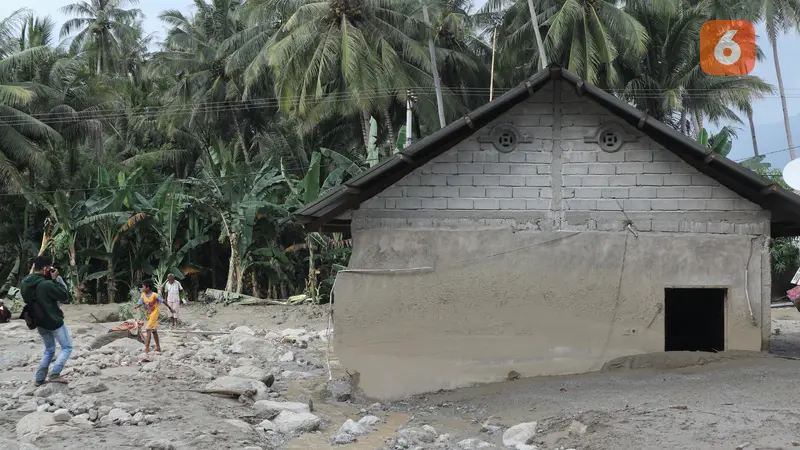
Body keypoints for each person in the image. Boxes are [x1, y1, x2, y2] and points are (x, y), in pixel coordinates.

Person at [20, 256, 72, 386]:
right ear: (45, 268)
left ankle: (39, 379)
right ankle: (55, 374)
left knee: (49, 349)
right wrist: (55, 280)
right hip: (53, 320)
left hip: (39, 321)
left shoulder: (25, 283)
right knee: (67, 347)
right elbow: (64, 295)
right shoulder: (47, 284)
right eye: (49, 267)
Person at [133, 280, 173, 355]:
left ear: (148, 288)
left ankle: (146, 349)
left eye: (143, 287)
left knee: (148, 330)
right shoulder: (143, 295)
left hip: (154, 314)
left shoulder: (155, 295)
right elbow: (140, 302)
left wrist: (170, 308)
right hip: (149, 315)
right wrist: (136, 306)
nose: (142, 288)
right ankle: (158, 347)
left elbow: (163, 301)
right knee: (154, 331)